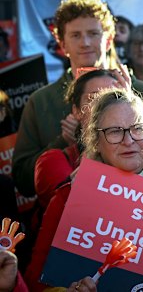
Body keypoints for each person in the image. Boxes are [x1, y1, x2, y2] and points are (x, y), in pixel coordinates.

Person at [25, 88, 143, 291]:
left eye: (137, 128)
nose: (128, 140)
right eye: (115, 131)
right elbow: (35, 281)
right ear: (96, 141)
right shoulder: (68, 199)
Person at [12, 0, 143, 198]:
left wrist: (130, 113)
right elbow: (22, 181)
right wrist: (62, 143)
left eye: (93, 33)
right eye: (75, 35)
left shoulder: (142, 93)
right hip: (69, 220)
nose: (85, 43)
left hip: (139, 212)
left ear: (109, 38)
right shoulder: (41, 102)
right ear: (62, 44)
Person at [34, 69, 127, 209]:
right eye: (93, 98)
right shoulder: (53, 161)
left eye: (113, 97)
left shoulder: (139, 152)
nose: (104, 105)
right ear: (76, 111)